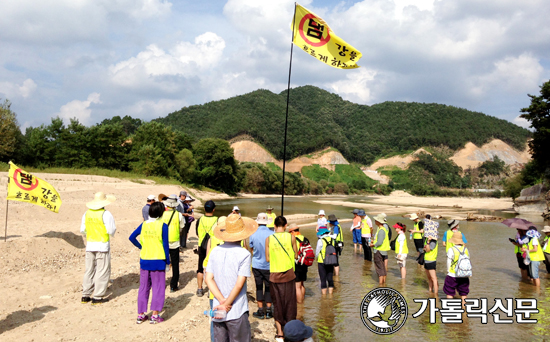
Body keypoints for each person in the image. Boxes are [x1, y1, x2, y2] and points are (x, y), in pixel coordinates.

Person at [205, 214, 258, 342]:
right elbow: (239, 284)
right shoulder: (244, 254)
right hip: (236, 308)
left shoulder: (215, 251)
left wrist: (222, 301)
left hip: (218, 309)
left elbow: (208, 279)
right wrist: (227, 303)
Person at [129, 201, 170, 324]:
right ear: (161, 213)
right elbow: (165, 245)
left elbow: (131, 237)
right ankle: (155, 315)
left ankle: (141, 314)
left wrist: (141, 246)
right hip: (158, 260)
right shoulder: (163, 225)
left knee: (143, 287)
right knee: (158, 288)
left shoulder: (144, 224)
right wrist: (168, 261)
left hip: (145, 259)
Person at [266, 216, 298, 342]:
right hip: (289, 274)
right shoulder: (291, 237)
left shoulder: (269, 239)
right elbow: (296, 254)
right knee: (290, 303)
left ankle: (280, 333)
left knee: (277, 304)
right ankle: (290, 331)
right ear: (286, 226)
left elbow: (267, 258)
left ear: (274, 226)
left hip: (274, 275)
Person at [80, 192, 116, 305]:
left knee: (89, 269)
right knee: (102, 270)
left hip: (90, 244)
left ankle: (85, 295)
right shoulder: (106, 214)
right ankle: (98, 296)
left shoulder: (86, 214)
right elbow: (111, 230)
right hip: (102, 245)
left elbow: (82, 230)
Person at [249, 213, 274, 319]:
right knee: (269, 287)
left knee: (259, 286)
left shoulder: (253, 234)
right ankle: (268, 310)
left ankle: (260, 310)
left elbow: (251, 249)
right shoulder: (272, 234)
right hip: (269, 265)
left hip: (257, 264)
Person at [196, 200, 219, 297]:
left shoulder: (200, 219)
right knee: (214, 269)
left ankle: (200, 289)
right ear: (214, 210)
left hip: (202, 245)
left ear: (204, 209)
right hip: (214, 246)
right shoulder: (217, 220)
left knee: (200, 268)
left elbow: (197, 232)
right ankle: (211, 289)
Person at [163, 195, 185, 292]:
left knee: (162, 263)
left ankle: (161, 283)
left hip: (164, 242)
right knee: (175, 264)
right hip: (175, 242)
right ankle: (173, 285)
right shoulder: (179, 215)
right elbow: (182, 227)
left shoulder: (163, 214)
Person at [443, 232, 470, 304]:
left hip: (453, 274)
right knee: (464, 293)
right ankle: (464, 310)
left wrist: (448, 271)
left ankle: (450, 308)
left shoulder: (451, 249)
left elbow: (449, 262)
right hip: (464, 274)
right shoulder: (466, 249)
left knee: (449, 292)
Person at [289, 223, 308, 304]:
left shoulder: (292, 239)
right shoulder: (305, 238)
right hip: (304, 263)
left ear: (293, 231)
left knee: (297, 286)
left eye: (290, 232)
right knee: (302, 284)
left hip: (296, 263)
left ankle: (299, 305)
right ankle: (302, 302)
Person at [370, 214, 390, 285]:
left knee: (379, 268)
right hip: (383, 251)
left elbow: (380, 242)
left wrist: (373, 245)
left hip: (379, 251)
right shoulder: (383, 229)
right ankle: (383, 284)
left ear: (379, 221)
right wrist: (374, 242)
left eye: (376, 220)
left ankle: (380, 284)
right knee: (383, 268)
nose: (375, 221)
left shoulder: (381, 230)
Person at [316, 228, 336, 294]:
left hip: (322, 261)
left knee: (323, 279)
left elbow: (317, 252)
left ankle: (324, 298)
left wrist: (316, 258)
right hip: (331, 261)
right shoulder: (332, 239)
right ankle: (331, 296)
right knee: (330, 279)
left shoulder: (320, 240)